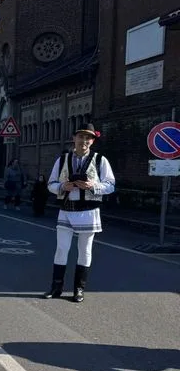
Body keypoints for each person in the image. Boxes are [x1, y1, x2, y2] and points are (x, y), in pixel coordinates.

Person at [43, 123, 115, 303]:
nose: (84, 141)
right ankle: (56, 287)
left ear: (92, 141)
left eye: (88, 138)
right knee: (61, 248)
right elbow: (51, 184)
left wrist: (94, 186)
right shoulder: (62, 160)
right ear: (74, 138)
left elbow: (110, 185)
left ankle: (79, 289)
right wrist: (62, 186)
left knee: (85, 251)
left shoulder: (100, 160)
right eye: (81, 136)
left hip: (89, 210)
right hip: (67, 209)